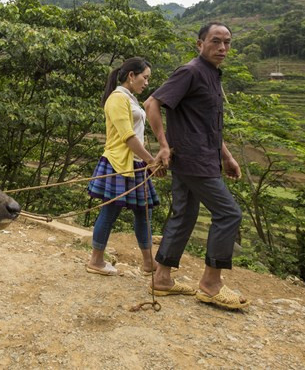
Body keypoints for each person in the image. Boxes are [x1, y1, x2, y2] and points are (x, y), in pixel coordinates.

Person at [144, 22, 248, 309]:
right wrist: (163, 145)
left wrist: (226, 156)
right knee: (229, 213)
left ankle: (162, 278)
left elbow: (207, 125)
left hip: (203, 157)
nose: (223, 47)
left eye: (227, 42)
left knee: (185, 214)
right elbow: (151, 104)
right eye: (216, 41)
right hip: (194, 160)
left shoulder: (212, 74)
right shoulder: (190, 71)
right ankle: (211, 284)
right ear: (200, 44)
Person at [86, 57, 160, 276]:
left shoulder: (130, 98)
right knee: (110, 211)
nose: (147, 83)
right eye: (145, 77)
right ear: (131, 76)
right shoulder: (117, 99)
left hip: (135, 163)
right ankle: (96, 260)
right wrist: (151, 161)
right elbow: (128, 136)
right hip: (119, 163)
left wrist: (146, 160)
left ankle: (148, 263)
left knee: (144, 212)